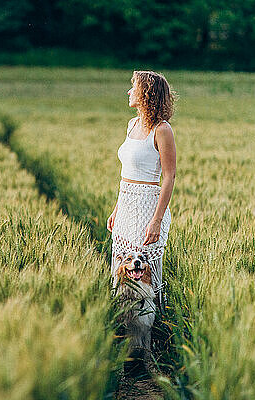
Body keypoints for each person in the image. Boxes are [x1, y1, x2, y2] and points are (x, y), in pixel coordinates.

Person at [107, 70, 177, 314]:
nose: (129, 92)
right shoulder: (132, 124)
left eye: (133, 87)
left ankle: (152, 331)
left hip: (148, 208)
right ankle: (122, 324)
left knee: (144, 270)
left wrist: (156, 220)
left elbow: (169, 176)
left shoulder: (162, 130)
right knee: (122, 268)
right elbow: (126, 173)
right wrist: (117, 209)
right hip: (126, 207)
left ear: (146, 94)